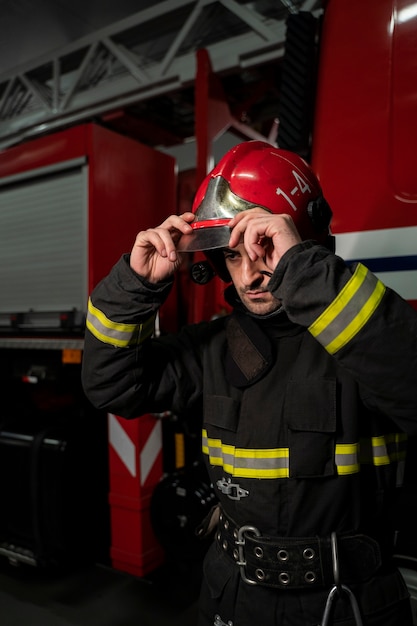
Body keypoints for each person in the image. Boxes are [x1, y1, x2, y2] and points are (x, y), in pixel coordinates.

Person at [82, 140, 417, 626]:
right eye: (232, 257)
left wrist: (303, 271)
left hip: (344, 604)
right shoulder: (212, 348)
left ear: (300, 243)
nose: (250, 275)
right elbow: (108, 386)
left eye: (265, 249)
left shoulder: (363, 331)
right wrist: (135, 287)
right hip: (232, 597)